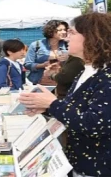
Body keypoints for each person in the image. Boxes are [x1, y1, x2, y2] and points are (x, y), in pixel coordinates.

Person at [19, 13, 111, 176]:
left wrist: (52, 104)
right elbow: (76, 110)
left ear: (92, 37)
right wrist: (46, 108)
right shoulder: (87, 72)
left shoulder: (106, 76)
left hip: (97, 168)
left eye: (72, 33)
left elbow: (95, 124)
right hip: (80, 163)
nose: (66, 38)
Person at [24, 20, 68, 85]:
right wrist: (42, 65)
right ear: (51, 30)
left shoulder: (68, 45)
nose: (64, 32)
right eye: (60, 30)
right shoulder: (36, 45)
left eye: (65, 30)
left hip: (62, 82)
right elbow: (27, 64)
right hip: (39, 81)